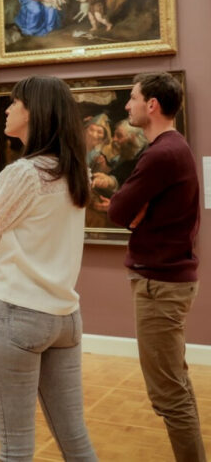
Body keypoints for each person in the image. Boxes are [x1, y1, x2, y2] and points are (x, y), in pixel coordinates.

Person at [0, 76, 97, 461]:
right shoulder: (76, 172)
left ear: (34, 112)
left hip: (18, 317)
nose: (7, 109)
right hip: (65, 317)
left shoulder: (24, 173)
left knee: (15, 447)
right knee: (75, 438)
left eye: (15, 103)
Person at [108, 72, 205, 462]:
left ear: (152, 105)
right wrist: (136, 209)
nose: (127, 106)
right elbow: (127, 210)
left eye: (132, 99)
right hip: (165, 282)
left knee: (167, 394)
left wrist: (135, 211)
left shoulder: (162, 153)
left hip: (160, 286)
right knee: (175, 385)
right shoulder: (172, 148)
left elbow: (117, 210)